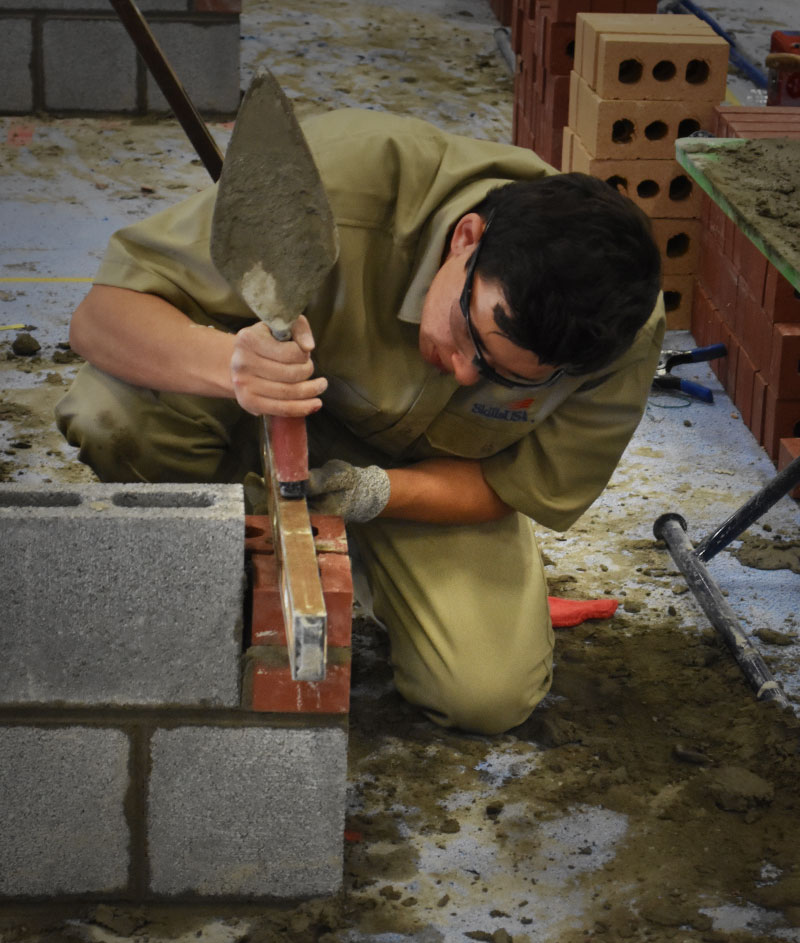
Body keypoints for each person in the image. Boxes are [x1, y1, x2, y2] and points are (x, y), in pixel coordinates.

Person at [56, 108, 664, 735]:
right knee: (111, 417)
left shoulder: (619, 335)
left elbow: (513, 485)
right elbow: (100, 316)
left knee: (485, 696)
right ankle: (216, 553)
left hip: (419, 481)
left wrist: (376, 494)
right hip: (247, 413)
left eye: (507, 378)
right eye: (470, 337)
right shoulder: (334, 187)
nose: (463, 373)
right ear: (466, 239)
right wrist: (231, 364)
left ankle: (367, 567)